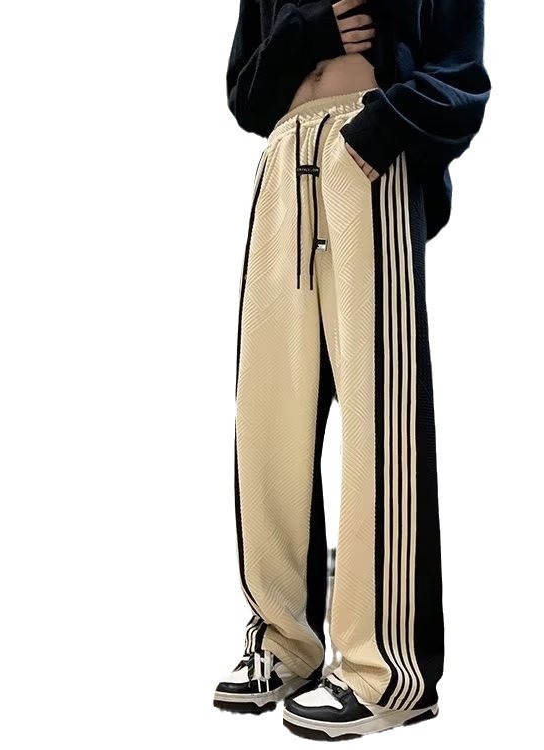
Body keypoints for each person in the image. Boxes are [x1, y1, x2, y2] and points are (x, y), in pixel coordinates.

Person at [214, 0, 491, 740]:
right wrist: (307, 31)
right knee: (267, 418)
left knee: (381, 419)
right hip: (282, 162)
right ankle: (284, 641)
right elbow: (244, 94)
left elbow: (462, 73)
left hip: (368, 152)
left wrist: (384, 127)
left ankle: (386, 671)